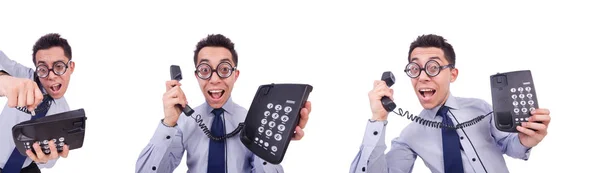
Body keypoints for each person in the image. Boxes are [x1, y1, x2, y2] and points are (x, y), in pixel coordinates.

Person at [349, 34, 551, 173]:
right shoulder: (410, 134)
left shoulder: (480, 108)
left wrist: (525, 140)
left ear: (452, 74)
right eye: (415, 68)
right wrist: (378, 119)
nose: (423, 76)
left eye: (433, 67)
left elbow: (510, 146)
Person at [135, 34, 312, 173]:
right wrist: (168, 124)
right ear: (197, 76)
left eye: (224, 69)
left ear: (236, 75)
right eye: (205, 70)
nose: (214, 79)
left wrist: (273, 141)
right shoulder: (184, 121)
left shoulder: (251, 119)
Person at [0, 33, 75, 173]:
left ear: (71, 67)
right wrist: (3, 79)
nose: (51, 76)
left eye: (59, 67)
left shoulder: (64, 113)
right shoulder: (25, 77)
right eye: (43, 69)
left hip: (26, 168)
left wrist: (45, 159)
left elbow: (50, 161)